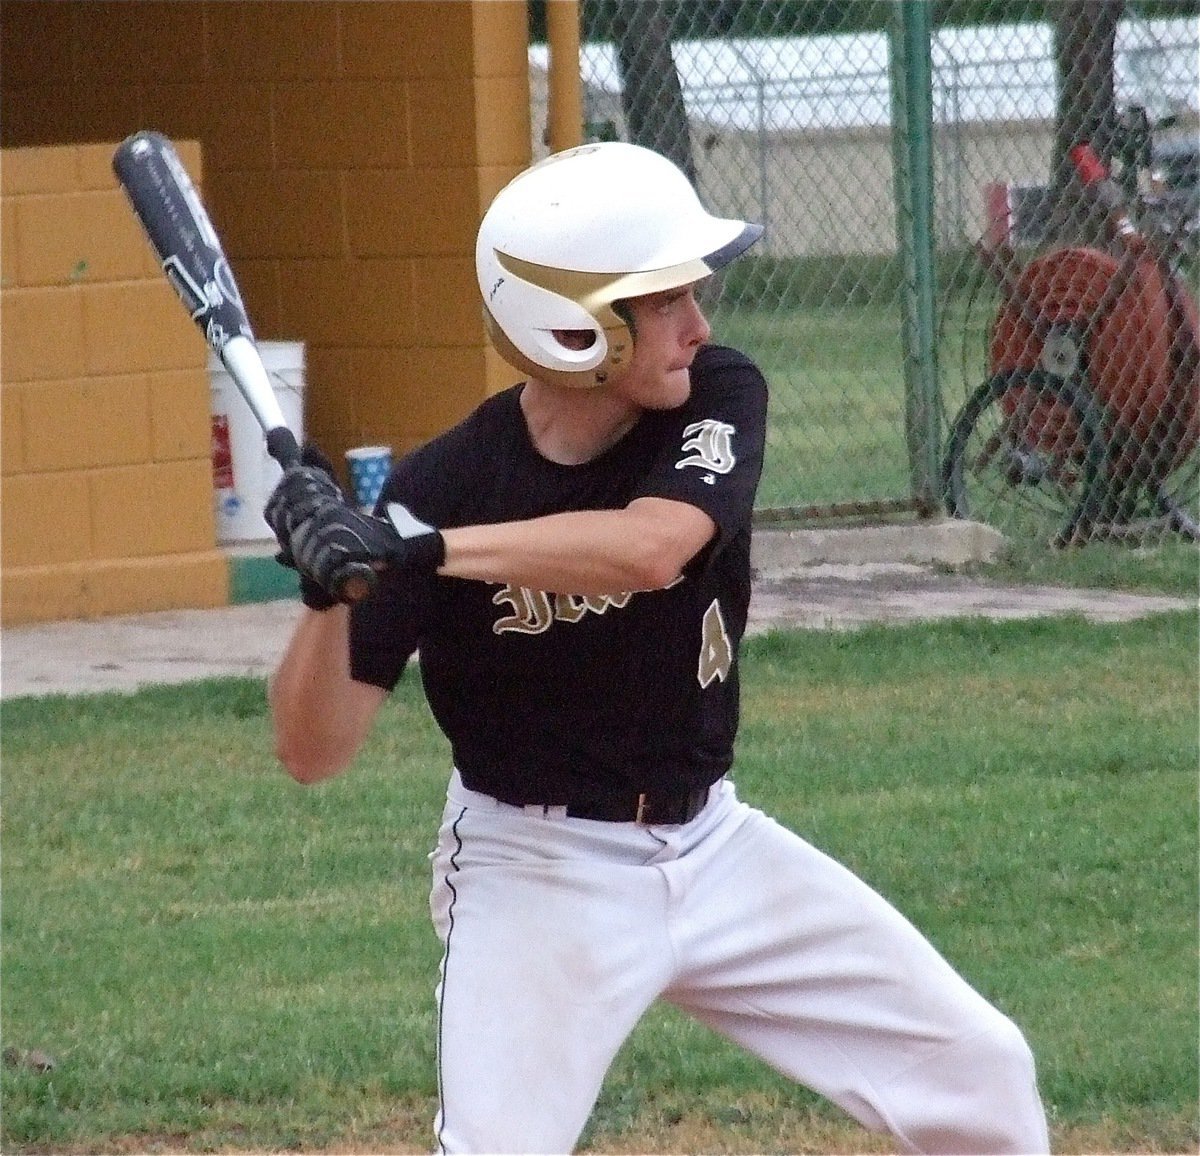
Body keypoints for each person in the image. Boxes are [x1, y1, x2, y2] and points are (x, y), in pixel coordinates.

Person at [265, 142, 1051, 1155]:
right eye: (667, 300)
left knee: (979, 1071)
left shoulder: (714, 395)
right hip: (535, 863)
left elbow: (650, 548)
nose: (700, 324)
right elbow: (310, 749)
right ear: (578, 327)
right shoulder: (445, 484)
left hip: (713, 845)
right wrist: (325, 593)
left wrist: (416, 547)